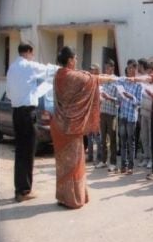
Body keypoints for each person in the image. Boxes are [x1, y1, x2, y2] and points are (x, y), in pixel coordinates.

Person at [50, 46, 115, 209]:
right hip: (72, 127)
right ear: (70, 60)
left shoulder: (58, 75)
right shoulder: (73, 76)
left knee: (63, 164)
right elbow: (93, 79)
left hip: (59, 125)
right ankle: (73, 199)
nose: (77, 60)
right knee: (74, 163)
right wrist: (112, 78)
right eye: (76, 58)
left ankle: (63, 197)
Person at [6, 42, 59, 202]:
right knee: (28, 151)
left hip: (16, 112)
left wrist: (31, 92)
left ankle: (20, 189)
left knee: (20, 151)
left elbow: (9, 93)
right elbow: (49, 70)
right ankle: (24, 191)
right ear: (28, 52)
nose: (33, 57)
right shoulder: (28, 65)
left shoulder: (12, 68)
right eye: (32, 54)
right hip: (27, 113)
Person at [118, 60, 142, 175]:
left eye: (133, 68)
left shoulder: (138, 84)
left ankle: (131, 167)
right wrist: (120, 94)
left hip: (132, 116)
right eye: (129, 68)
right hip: (123, 114)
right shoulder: (123, 81)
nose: (130, 70)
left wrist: (131, 96)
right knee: (122, 141)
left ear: (136, 70)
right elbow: (118, 97)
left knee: (130, 142)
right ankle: (123, 165)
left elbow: (139, 102)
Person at [95, 60, 119, 173]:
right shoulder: (103, 81)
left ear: (112, 68)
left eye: (108, 68)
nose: (106, 71)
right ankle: (103, 161)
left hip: (112, 114)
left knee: (112, 139)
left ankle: (113, 163)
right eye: (105, 68)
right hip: (102, 112)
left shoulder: (116, 81)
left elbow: (119, 100)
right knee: (102, 139)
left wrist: (109, 97)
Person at [138, 60, 153, 169]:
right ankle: (146, 158)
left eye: (151, 72)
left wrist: (149, 94)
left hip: (151, 113)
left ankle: (151, 159)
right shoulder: (143, 82)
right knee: (144, 137)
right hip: (143, 112)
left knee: (150, 137)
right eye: (148, 72)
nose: (149, 74)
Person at [87, 64, 102, 164]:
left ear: (97, 72)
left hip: (97, 112)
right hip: (89, 112)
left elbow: (100, 99)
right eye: (90, 70)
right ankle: (90, 156)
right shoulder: (88, 83)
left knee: (97, 135)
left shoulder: (100, 83)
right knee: (89, 135)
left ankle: (99, 157)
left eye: (93, 70)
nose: (91, 72)